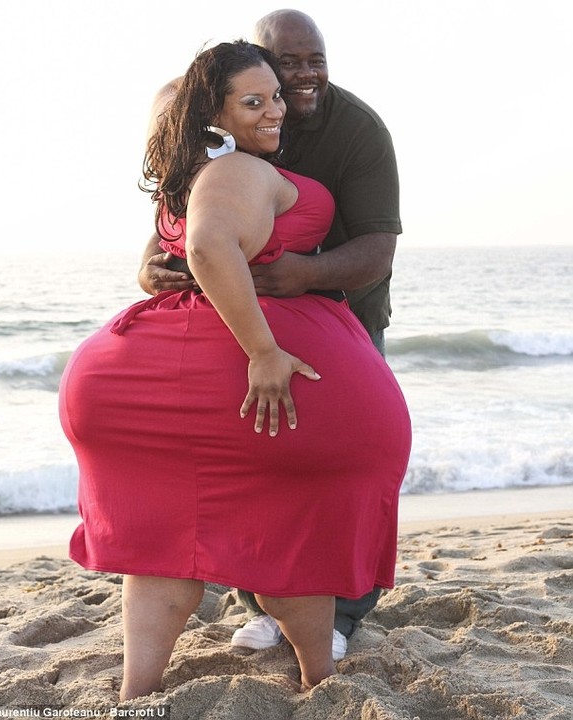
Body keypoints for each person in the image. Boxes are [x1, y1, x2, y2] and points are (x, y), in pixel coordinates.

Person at [59, 40, 410, 699]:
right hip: (234, 378)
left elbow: (190, 235)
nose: (276, 109)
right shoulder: (239, 170)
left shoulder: (193, 173)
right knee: (293, 537)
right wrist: (264, 352)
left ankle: (138, 694)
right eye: (254, 102)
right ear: (213, 114)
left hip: (145, 379)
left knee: (163, 547)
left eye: (275, 97)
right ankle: (319, 680)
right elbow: (207, 244)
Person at [137, 9, 403, 656]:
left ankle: (341, 613)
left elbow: (377, 251)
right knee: (257, 460)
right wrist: (147, 263)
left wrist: (303, 274)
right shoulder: (214, 120)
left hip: (342, 311)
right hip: (243, 321)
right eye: (287, 66)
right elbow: (181, 207)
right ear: (251, 68)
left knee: (343, 467)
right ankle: (260, 599)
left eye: (316, 61)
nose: (302, 78)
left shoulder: (357, 130)